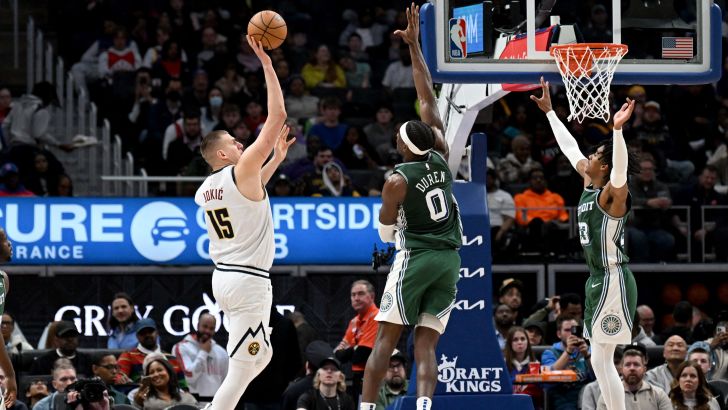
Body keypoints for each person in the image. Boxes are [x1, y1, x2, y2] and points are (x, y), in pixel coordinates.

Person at [360, 5, 463, 410]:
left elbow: (385, 230)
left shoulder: (397, 180)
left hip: (417, 257)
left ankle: (367, 407)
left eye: (399, 138)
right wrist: (414, 45)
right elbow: (426, 94)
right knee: (426, 346)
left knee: (385, 340)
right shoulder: (440, 151)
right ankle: (423, 406)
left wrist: (392, 230)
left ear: (403, 146)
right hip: (449, 261)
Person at [194, 35, 292, 410]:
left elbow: (250, 196)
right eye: (234, 142)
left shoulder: (207, 189)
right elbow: (278, 117)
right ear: (221, 153)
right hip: (248, 280)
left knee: (261, 356)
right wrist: (267, 63)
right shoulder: (241, 169)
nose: (240, 144)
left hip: (225, 277)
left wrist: (276, 160)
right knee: (240, 371)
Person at [532, 77, 640, 410]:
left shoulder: (611, 196)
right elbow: (570, 149)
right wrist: (550, 113)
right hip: (596, 279)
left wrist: (617, 131)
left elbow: (619, 173)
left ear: (604, 166)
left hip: (613, 277)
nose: (587, 158)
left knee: (604, 356)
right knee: (598, 358)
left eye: (594, 156)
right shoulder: (589, 184)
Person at [334, 280, 380, 401]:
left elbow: (362, 355)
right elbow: (339, 355)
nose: (356, 298)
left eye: (361, 293)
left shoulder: (377, 317)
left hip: (374, 376)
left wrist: (351, 349)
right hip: (357, 377)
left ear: (372, 296)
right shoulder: (354, 321)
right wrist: (354, 348)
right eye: (353, 295)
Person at [540, 315, 595, 409]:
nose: (571, 333)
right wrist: (568, 351)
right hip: (561, 395)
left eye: (575, 329)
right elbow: (549, 376)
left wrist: (587, 355)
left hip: (586, 394)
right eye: (567, 330)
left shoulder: (588, 350)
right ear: (559, 334)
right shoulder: (550, 352)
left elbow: (598, 377)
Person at [594, 345, 671, 410]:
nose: (632, 368)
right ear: (621, 369)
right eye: (628, 365)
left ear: (644, 370)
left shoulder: (658, 394)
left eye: (636, 364)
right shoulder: (608, 397)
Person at [117, 318, 187, 389]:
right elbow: (118, 376)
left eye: (150, 331)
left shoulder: (172, 359)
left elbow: (183, 386)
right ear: (137, 336)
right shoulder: (128, 355)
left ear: (157, 332)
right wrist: (121, 379)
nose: (147, 335)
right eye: (143, 333)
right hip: (139, 393)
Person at [172, 313, 228, 400]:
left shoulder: (222, 353)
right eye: (205, 326)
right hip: (192, 402)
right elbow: (188, 378)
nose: (207, 331)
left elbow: (226, 382)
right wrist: (203, 352)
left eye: (211, 328)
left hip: (216, 402)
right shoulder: (181, 347)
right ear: (198, 325)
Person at [133, 353, 198, 410]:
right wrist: (138, 404)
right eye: (151, 372)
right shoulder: (142, 399)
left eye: (159, 370)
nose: (156, 374)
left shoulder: (187, 398)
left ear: (169, 372)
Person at [503, 327, 543, 410]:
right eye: (515, 340)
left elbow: (538, 392)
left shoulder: (535, 364)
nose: (520, 342)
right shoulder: (503, 364)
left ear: (527, 342)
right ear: (509, 343)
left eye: (523, 339)